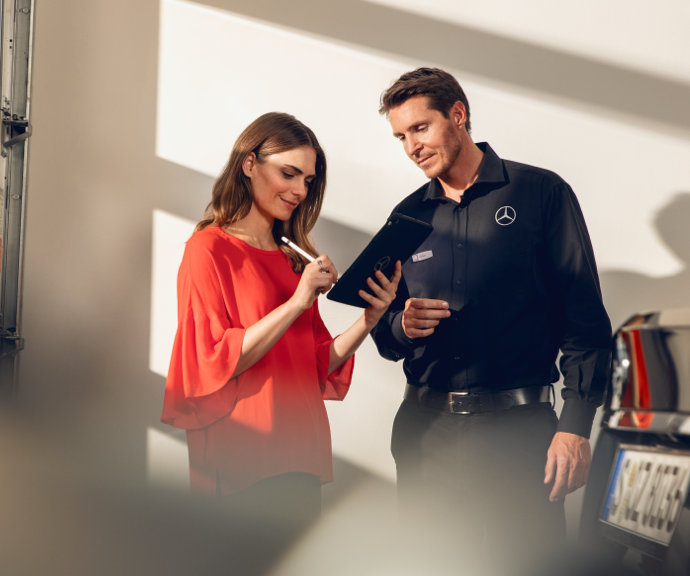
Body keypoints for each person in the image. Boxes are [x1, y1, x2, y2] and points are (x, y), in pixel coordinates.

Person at [370, 68, 613, 574]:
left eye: (420, 128)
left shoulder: (541, 194)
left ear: (457, 115)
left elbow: (584, 318)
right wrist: (400, 324)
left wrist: (576, 427)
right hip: (425, 433)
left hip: (518, 434)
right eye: (400, 137)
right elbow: (384, 331)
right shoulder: (407, 217)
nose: (411, 146)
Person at [161, 112, 401, 533]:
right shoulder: (208, 250)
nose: (299, 190)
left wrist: (370, 319)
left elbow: (314, 365)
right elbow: (213, 362)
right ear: (249, 164)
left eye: (308, 180)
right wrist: (296, 301)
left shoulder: (294, 257)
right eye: (289, 173)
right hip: (242, 454)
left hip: (301, 453)